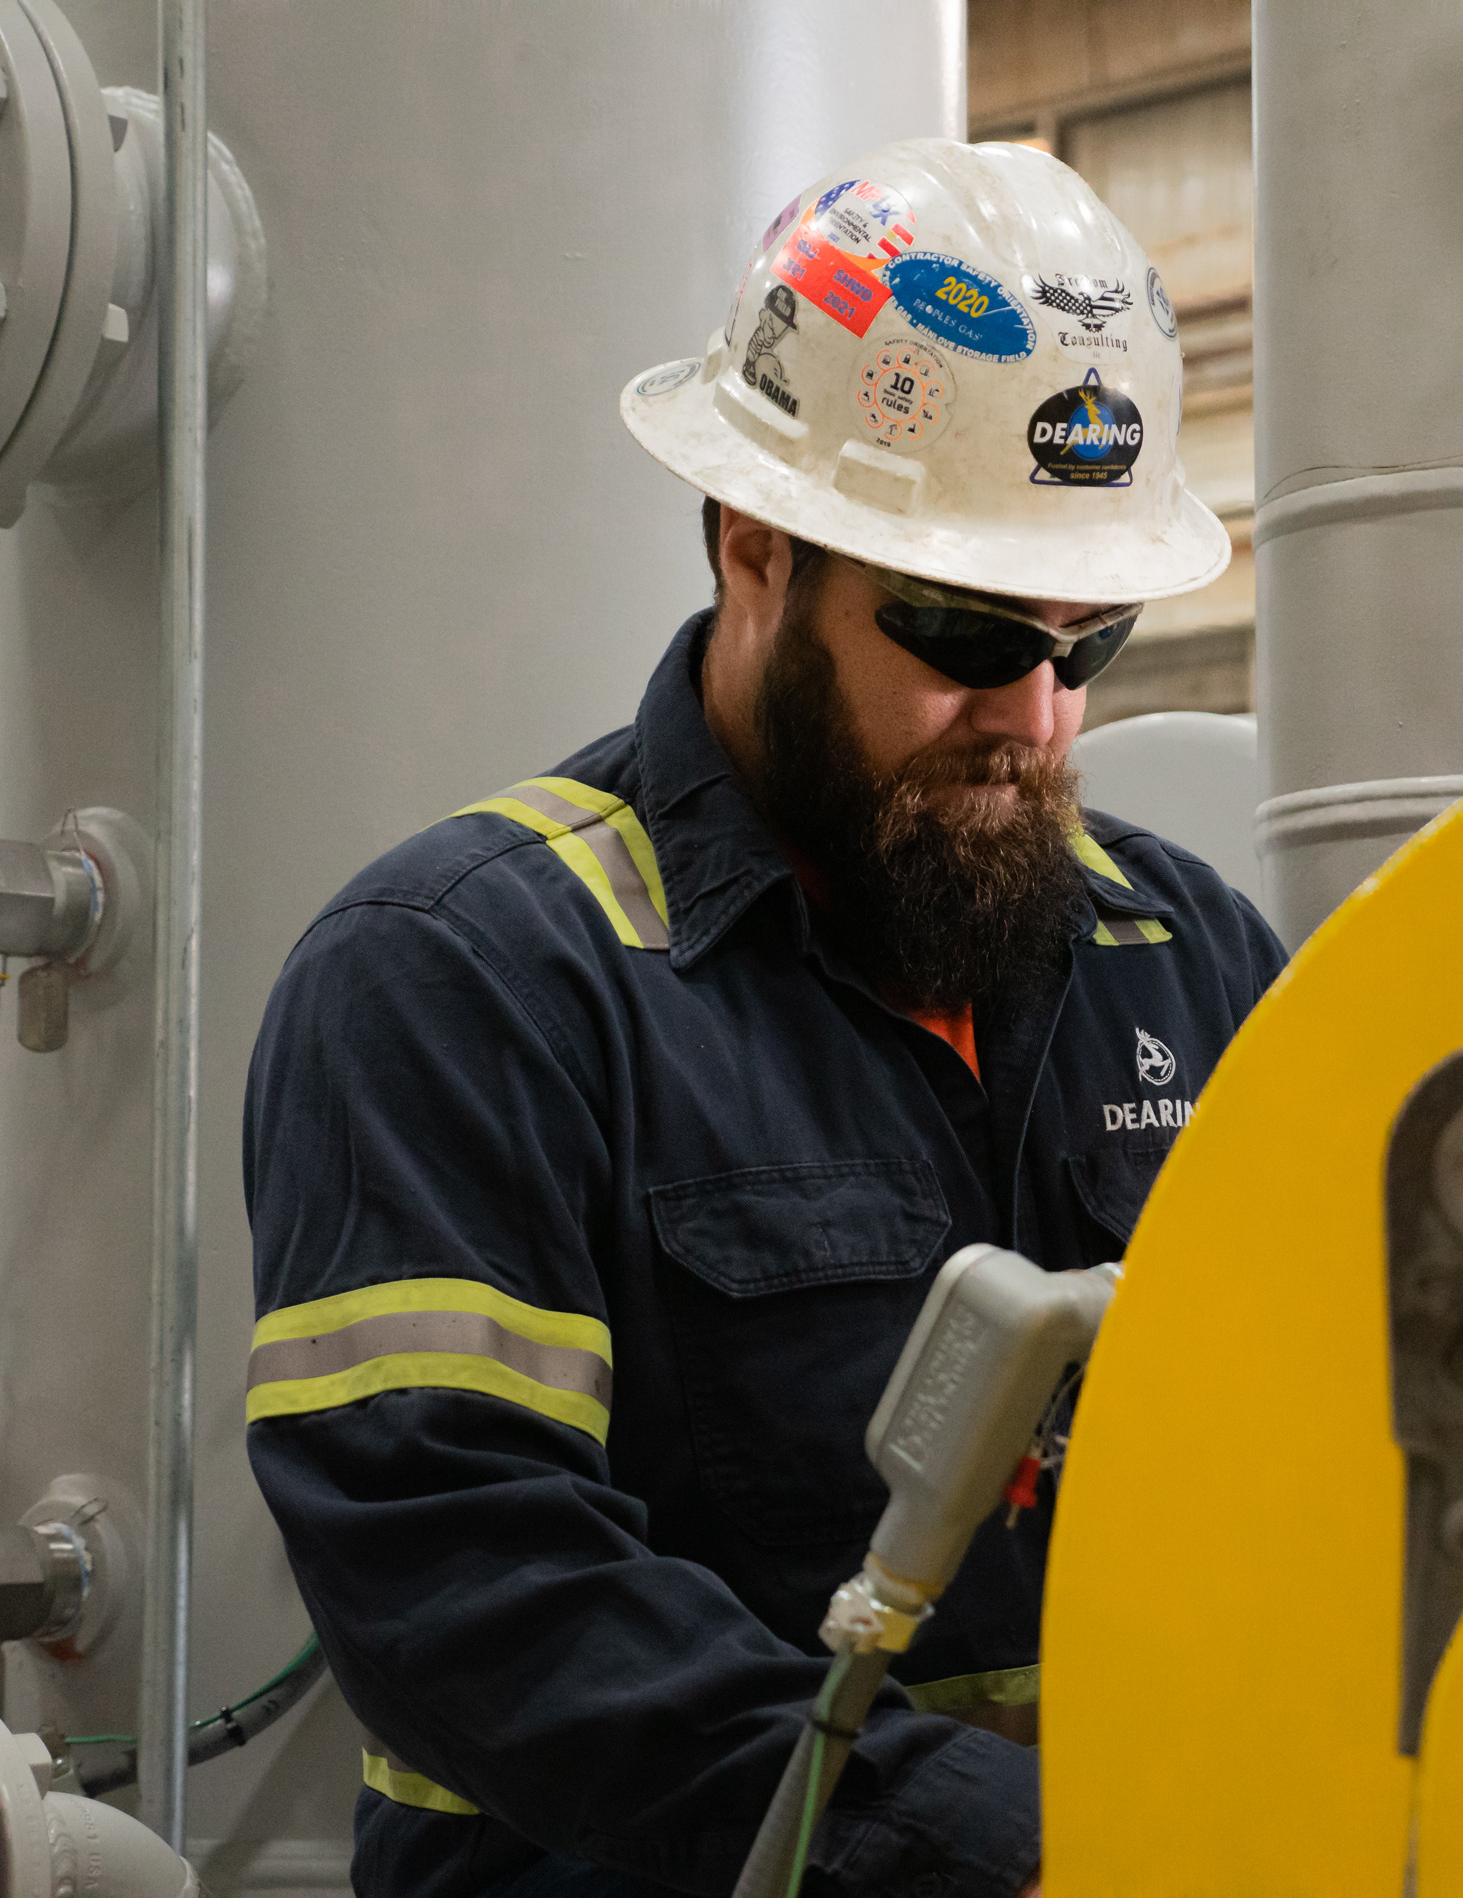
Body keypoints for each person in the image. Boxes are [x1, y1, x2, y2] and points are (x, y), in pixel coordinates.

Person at [243, 138, 1283, 1898]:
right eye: (962, 630)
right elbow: (467, 1575)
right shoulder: (468, 979)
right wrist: (989, 1847)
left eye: (1083, 643)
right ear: (756, 554)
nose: (1031, 715)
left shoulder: (1185, 956)